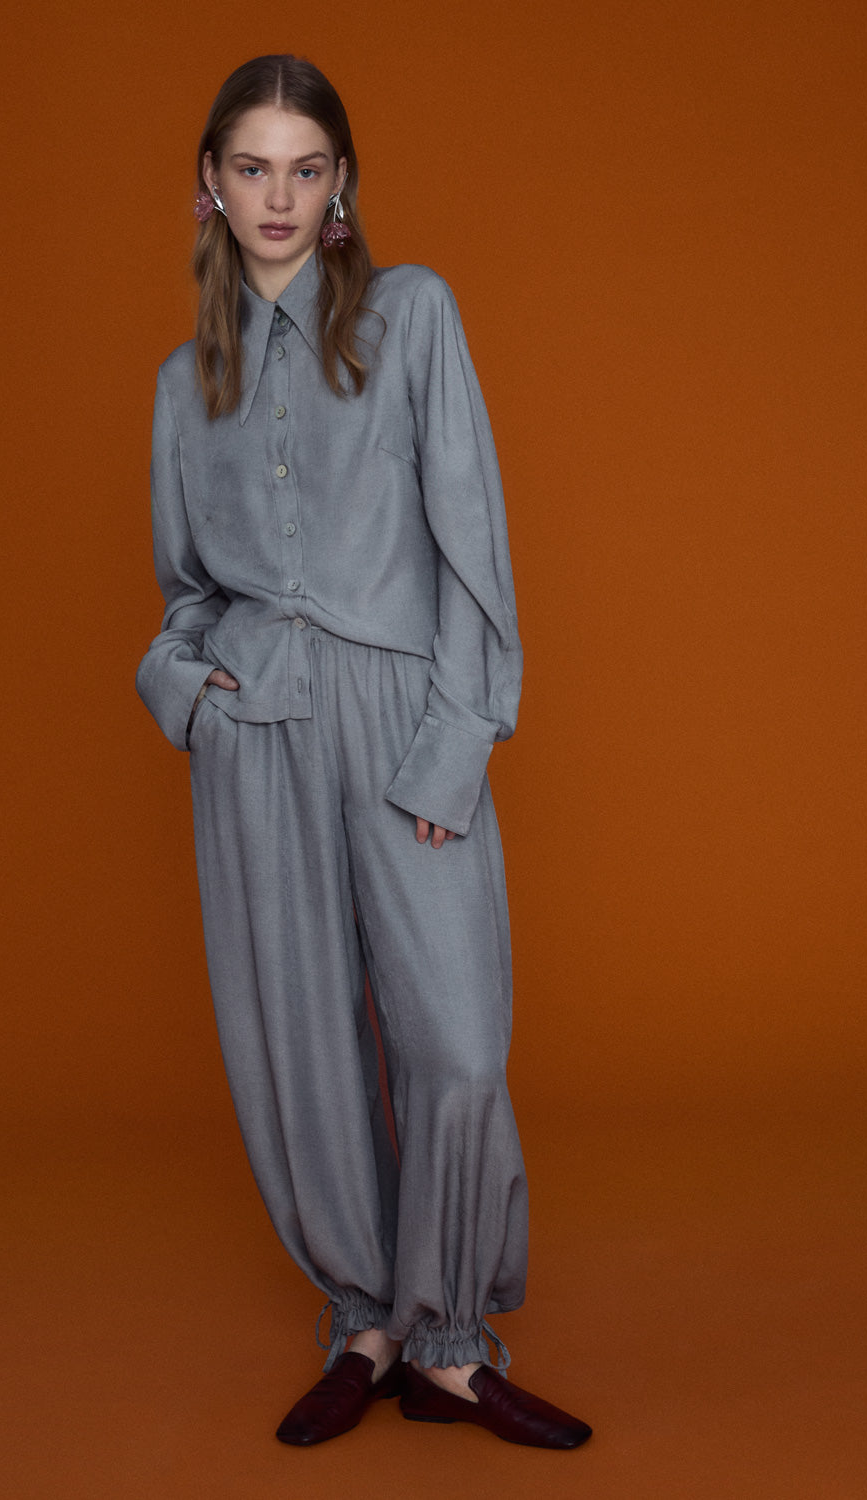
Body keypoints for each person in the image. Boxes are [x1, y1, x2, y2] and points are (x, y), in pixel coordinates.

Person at [137, 53, 591, 1451]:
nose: (278, 194)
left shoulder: (411, 316)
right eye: (251, 166)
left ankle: (453, 1340)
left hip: (403, 727)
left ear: (344, 190)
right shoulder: (181, 387)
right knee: (309, 1054)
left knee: (454, 1042)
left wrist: (456, 746)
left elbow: (476, 551)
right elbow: (183, 602)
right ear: (208, 187)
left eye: (306, 166)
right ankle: (370, 1323)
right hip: (257, 742)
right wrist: (192, 699)